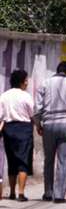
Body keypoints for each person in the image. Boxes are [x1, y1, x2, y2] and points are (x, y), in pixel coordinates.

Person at [34, 60, 66, 203]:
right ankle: (60, 195)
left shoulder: (45, 84)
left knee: (48, 159)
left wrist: (38, 125)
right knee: (64, 161)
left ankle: (48, 193)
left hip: (48, 125)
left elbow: (37, 109)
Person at [0, 69, 34, 201]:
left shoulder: (4, 95)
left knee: (12, 161)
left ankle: (12, 192)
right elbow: (32, 113)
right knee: (23, 161)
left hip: (8, 129)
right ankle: (21, 193)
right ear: (21, 82)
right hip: (24, 128)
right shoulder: (26, 96)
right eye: (26, 80)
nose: (27, 83)